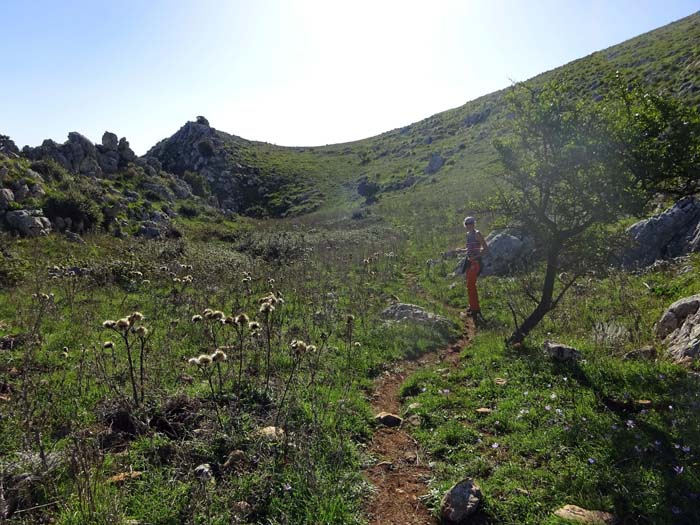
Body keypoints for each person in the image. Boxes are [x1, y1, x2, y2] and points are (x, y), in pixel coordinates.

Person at [463, 216, 488, 319]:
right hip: (469, 262)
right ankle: (472, 306)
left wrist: (477, 256)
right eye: (467, 223)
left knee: (471, 285)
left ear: (474, 223)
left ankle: (475, 309)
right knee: (469, 285)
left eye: (471, 223)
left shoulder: (477, 234)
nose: (469, 225)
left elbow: (485, 248)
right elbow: (469, 248)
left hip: (475, 263)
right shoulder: (467, 235)